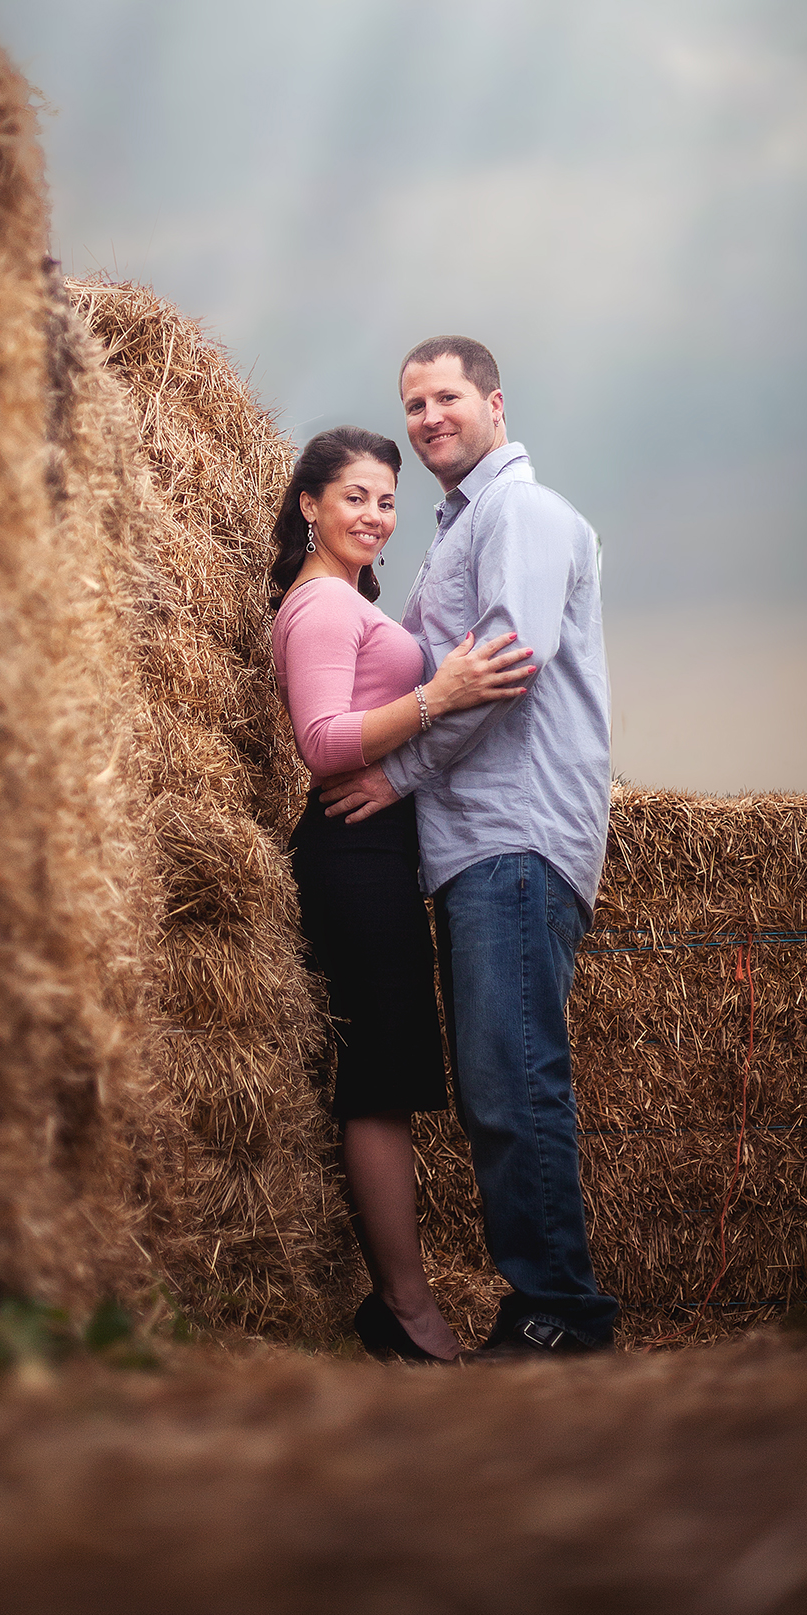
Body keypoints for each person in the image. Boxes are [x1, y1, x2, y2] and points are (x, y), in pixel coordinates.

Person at [321, 340, 618, 1359]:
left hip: (515, 835)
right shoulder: (460, 531)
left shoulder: (519, 515)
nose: (427, 415)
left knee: (511, 1080)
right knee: (498, 1083)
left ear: (493, 401)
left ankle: (561, 1315)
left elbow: (504, 672)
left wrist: (393, 776)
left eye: (445, 395)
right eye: (411, 402)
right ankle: (546, 1305)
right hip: (475, 846)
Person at [268, 427, 534, 1364]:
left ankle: (402, 1303)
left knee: (389, 1071)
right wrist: (443, 693)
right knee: (377, 1081)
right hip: (351, 850)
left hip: (377, 848)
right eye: (354, 497)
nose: (375, 515)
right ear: (310, 505)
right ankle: (407, 1310)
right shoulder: (323, 608)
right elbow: (324, 741)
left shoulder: (342, 600)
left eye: (386, 500)